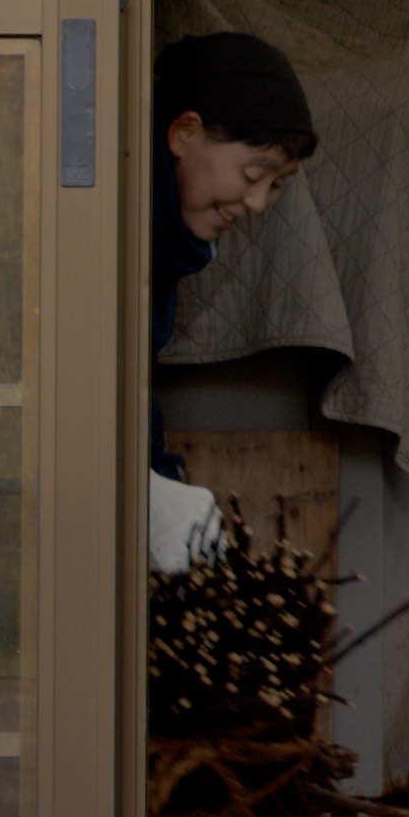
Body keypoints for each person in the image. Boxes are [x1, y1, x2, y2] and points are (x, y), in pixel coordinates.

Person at [147, 31, 316, 572]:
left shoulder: (162, 244)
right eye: (252, 174)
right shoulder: (109, 233)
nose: (256, 203)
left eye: (276, 185)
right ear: (184, 133)